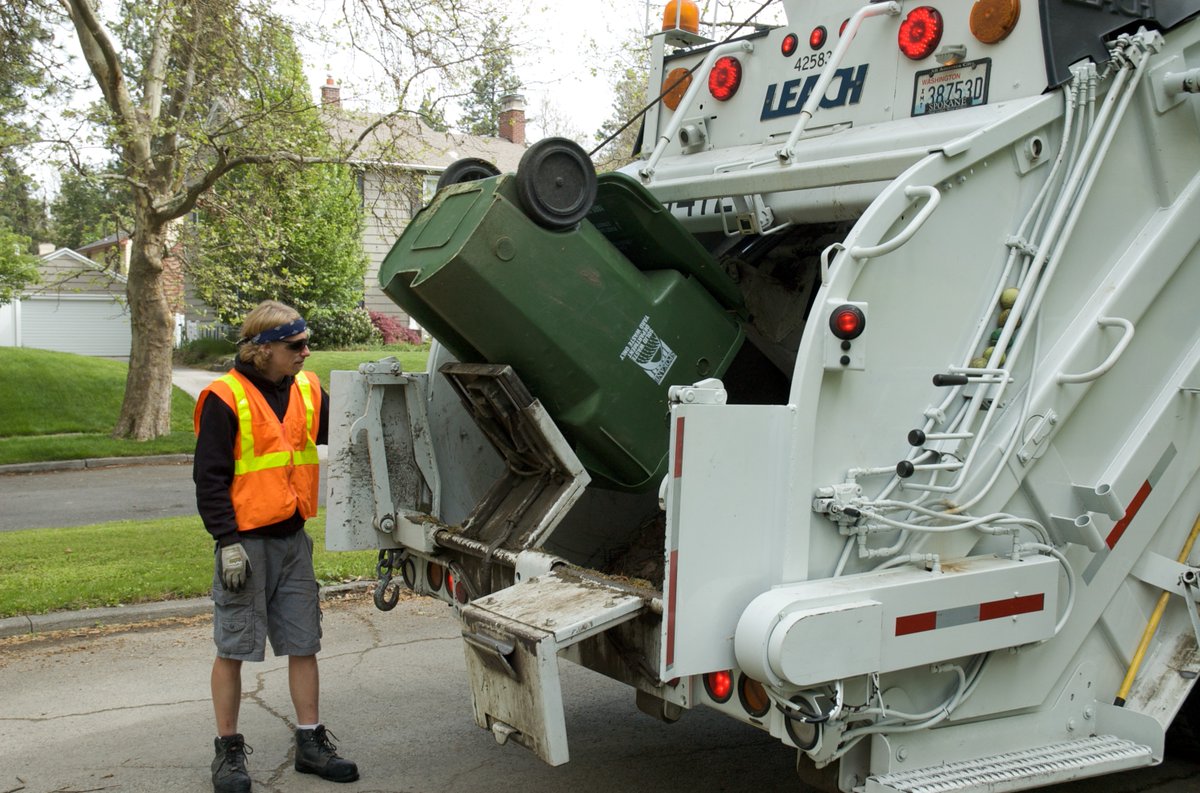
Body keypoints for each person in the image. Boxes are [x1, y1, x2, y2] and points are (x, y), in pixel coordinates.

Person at [193, 300, 358, 793]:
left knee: (304, 643)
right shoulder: (224, 397)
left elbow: (343, 430)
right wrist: (226, 543)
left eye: (307, 343)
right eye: (296, 346)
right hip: (245, 543)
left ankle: (310, 743)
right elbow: (210, 479)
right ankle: (228, 754)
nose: (306, 353)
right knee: (234, 647)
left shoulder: (306, 388)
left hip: (291, 540)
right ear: (263, 350)